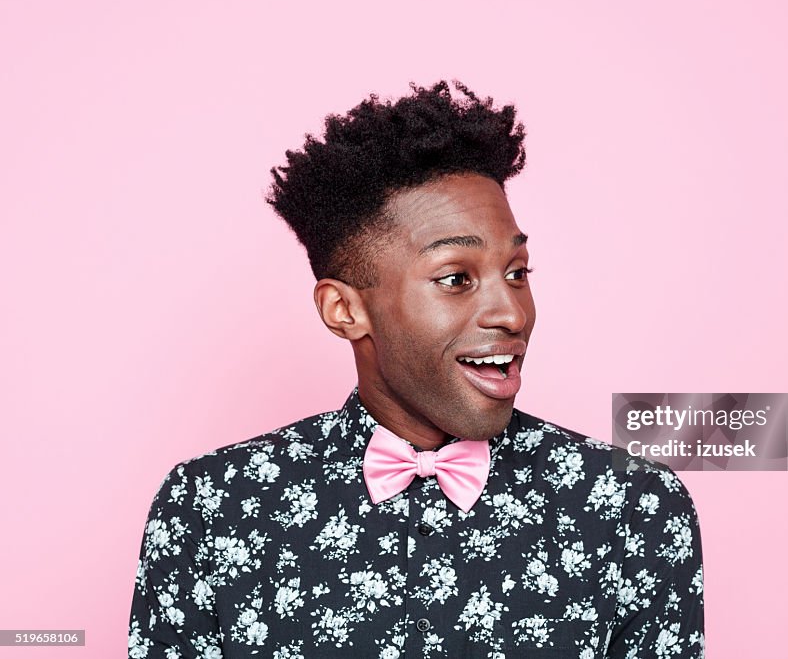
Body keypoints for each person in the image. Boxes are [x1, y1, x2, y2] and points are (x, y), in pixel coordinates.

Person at [128, 80, 704, 659]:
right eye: (456, 278)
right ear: (345, 309)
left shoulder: (633, 508)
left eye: (517, 272)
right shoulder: (209, 509)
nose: (511, 312)